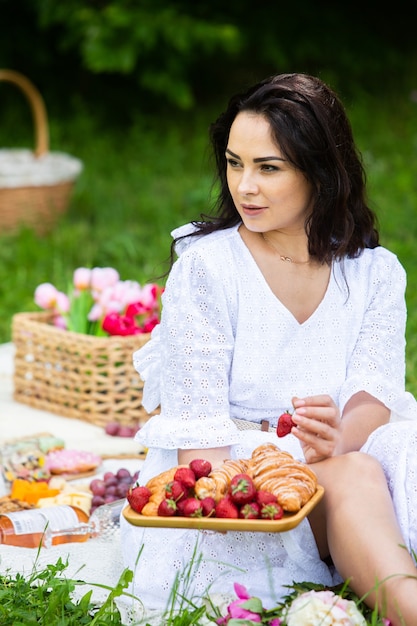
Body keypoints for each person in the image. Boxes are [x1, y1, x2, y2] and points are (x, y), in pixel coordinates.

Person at [120, 72, 417, 625]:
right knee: (352, 475)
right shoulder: (207, 268)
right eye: (234, 163)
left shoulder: (374, 274)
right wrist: (305, 461)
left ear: (320, 173)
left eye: (268, 168)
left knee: (385, 454)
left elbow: (374, 395)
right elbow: (199, 447)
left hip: (350, 459)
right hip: (235, 480)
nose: (244, 186)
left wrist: (333, 441)